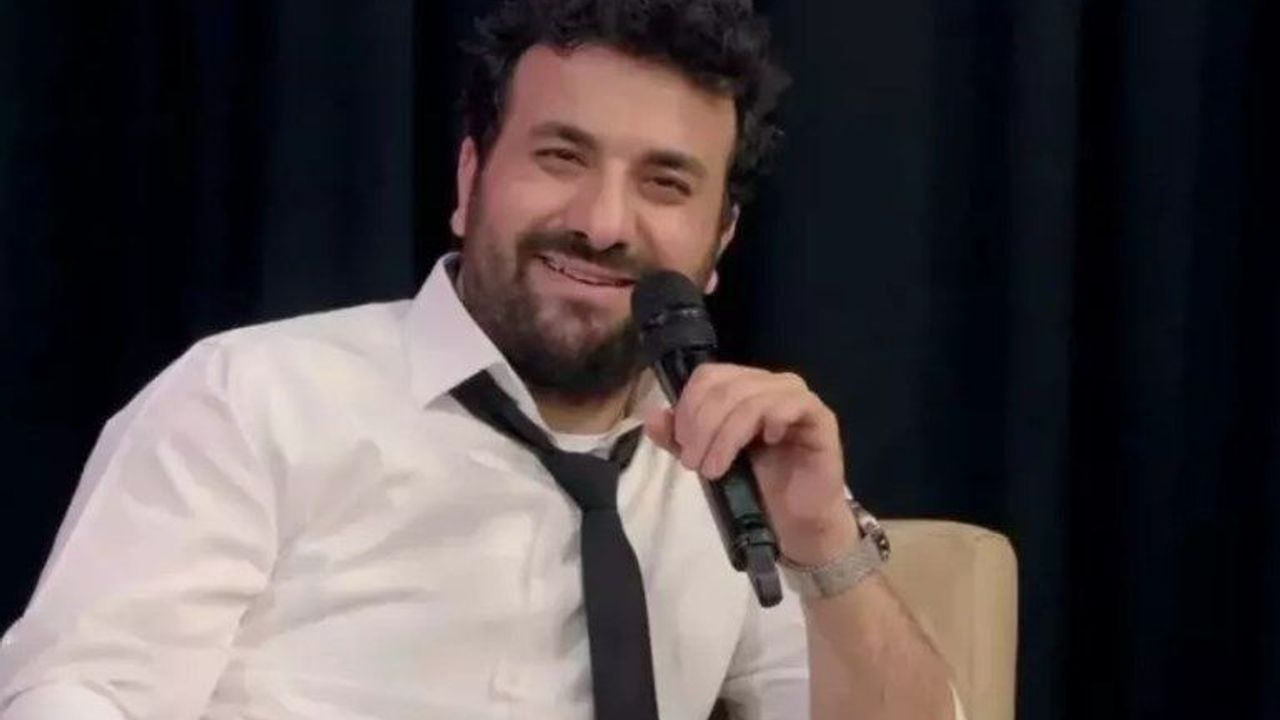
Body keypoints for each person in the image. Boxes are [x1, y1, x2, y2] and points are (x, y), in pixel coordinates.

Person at [0, 1, 964, 718]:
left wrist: (825, 546)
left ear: (718, 244)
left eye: (665, 183)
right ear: (469, 181)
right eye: (561, 157)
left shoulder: (734, 475)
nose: (602, 222)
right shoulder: (251, 399)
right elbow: (83, 694)